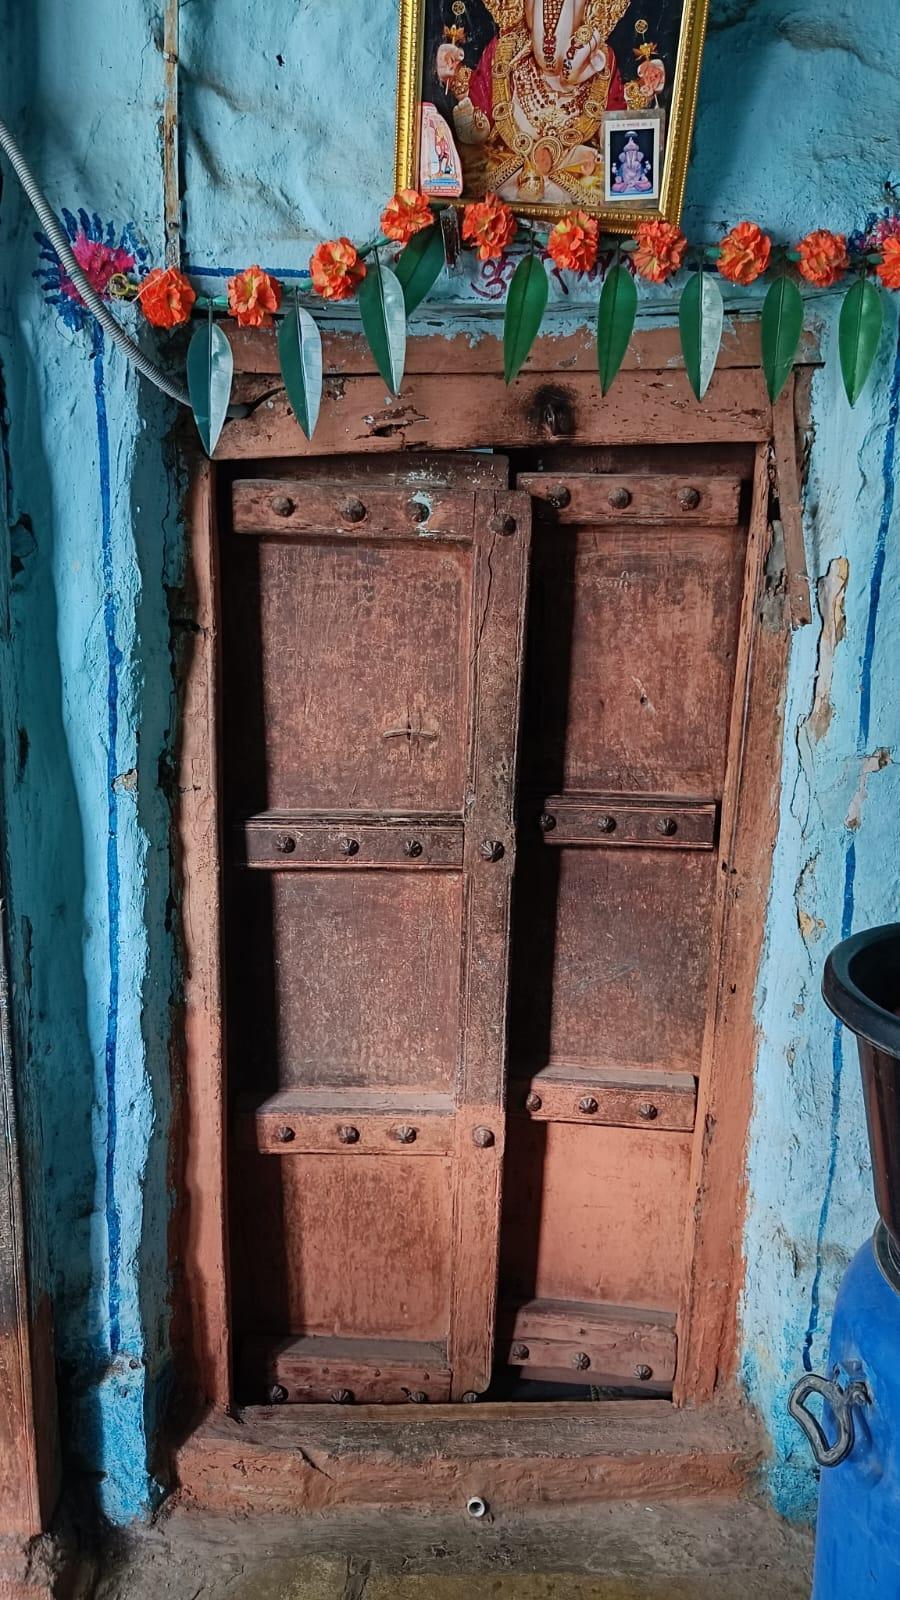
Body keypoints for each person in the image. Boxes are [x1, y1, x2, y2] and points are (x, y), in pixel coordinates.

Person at [437, 0, 630, 205]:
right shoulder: (506, 51)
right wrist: (456, 85)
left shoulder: (600, 62)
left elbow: (615, 133)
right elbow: (477, 120)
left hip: (575, 187)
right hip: (505, 188)